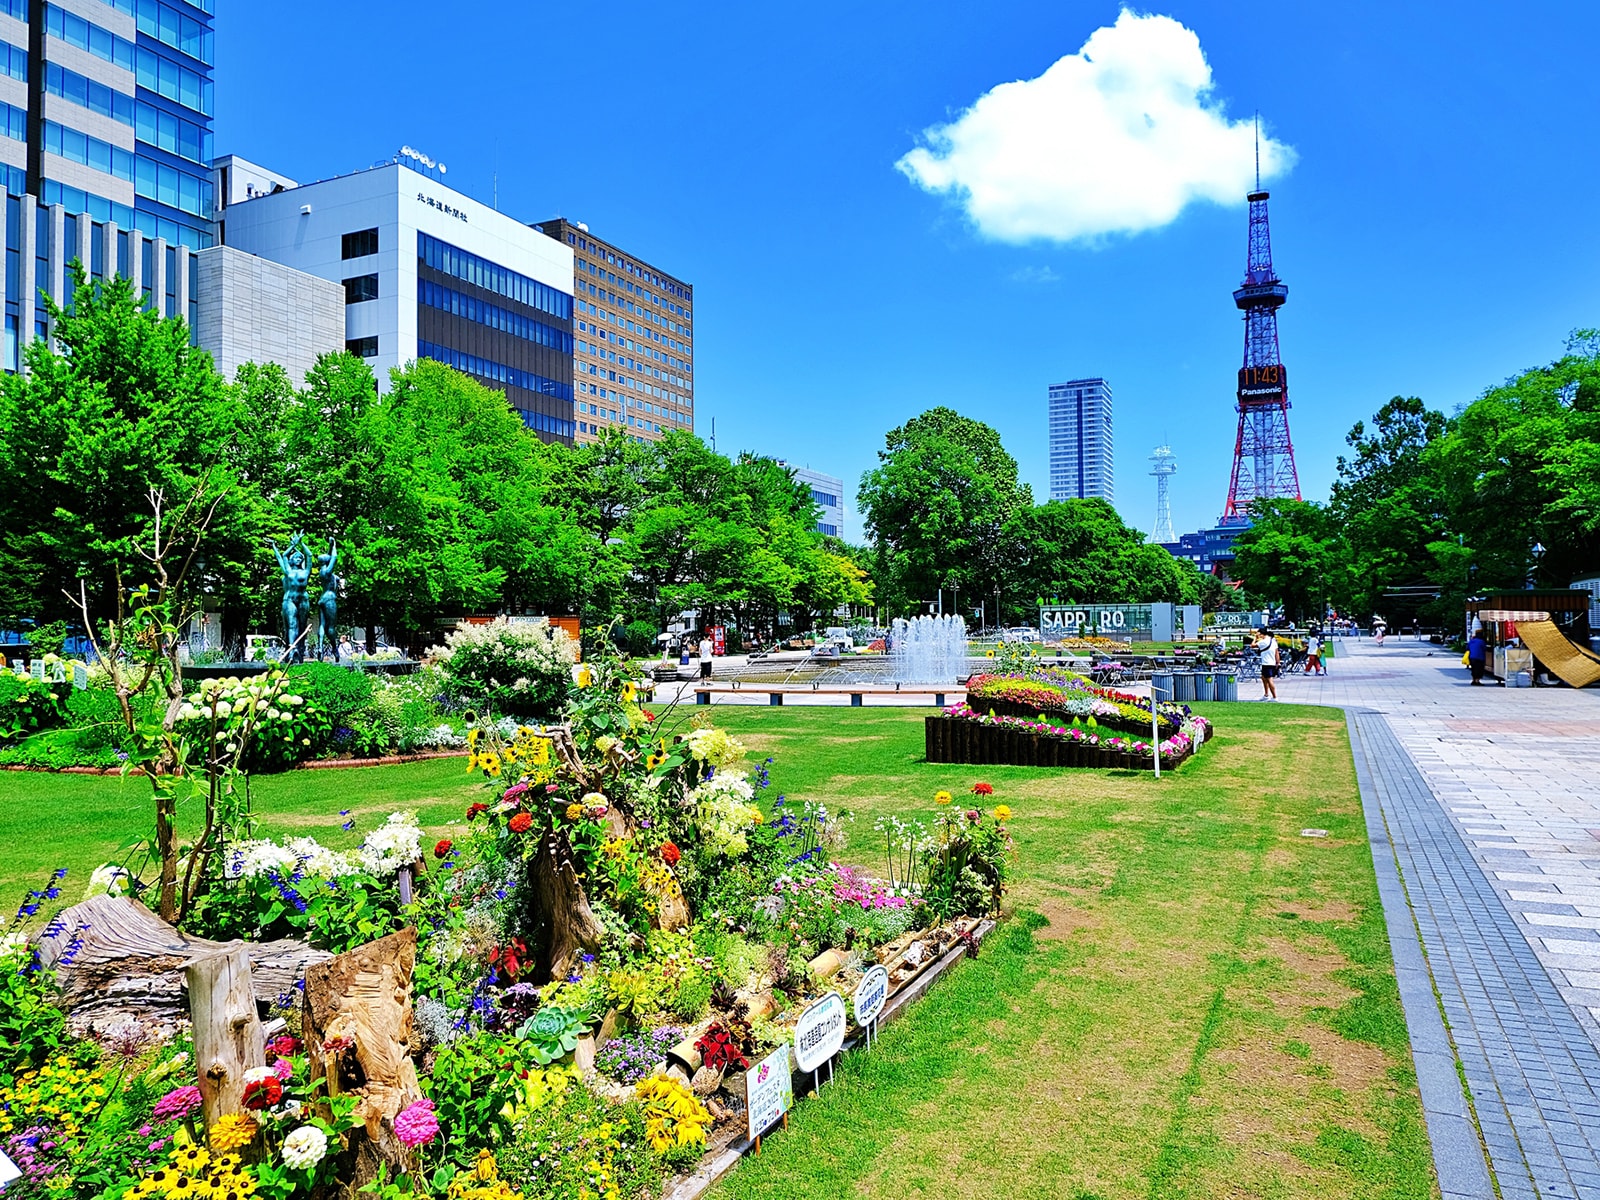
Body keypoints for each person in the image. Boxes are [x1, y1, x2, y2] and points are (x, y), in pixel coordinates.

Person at [1254, 627, 1280, 701]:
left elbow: (1252, 645)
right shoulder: (1273, 641)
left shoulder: (1263, 641)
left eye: (1258, 633)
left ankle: (1275, 697)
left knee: (1269, 679)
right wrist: (1278, 662)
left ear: (1262, 634)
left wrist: (1255, 638)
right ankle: (1266, 695)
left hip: (1266, 663)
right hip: (1272, 662)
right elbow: (1276, 652)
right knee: (1263, 678)